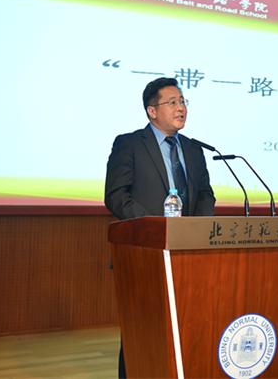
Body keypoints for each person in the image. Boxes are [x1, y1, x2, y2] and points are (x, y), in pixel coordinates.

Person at [104, 77, 215, 378]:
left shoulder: (193, 149)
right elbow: (116, 195)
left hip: (186, 253)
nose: (181, 108)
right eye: (173, 102)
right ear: (152, 111)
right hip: (144, 252)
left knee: (185, 328)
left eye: (183, 101)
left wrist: (196, 231)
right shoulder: (128, 144)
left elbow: (205, 193)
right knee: (142, 329)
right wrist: (153, 229)